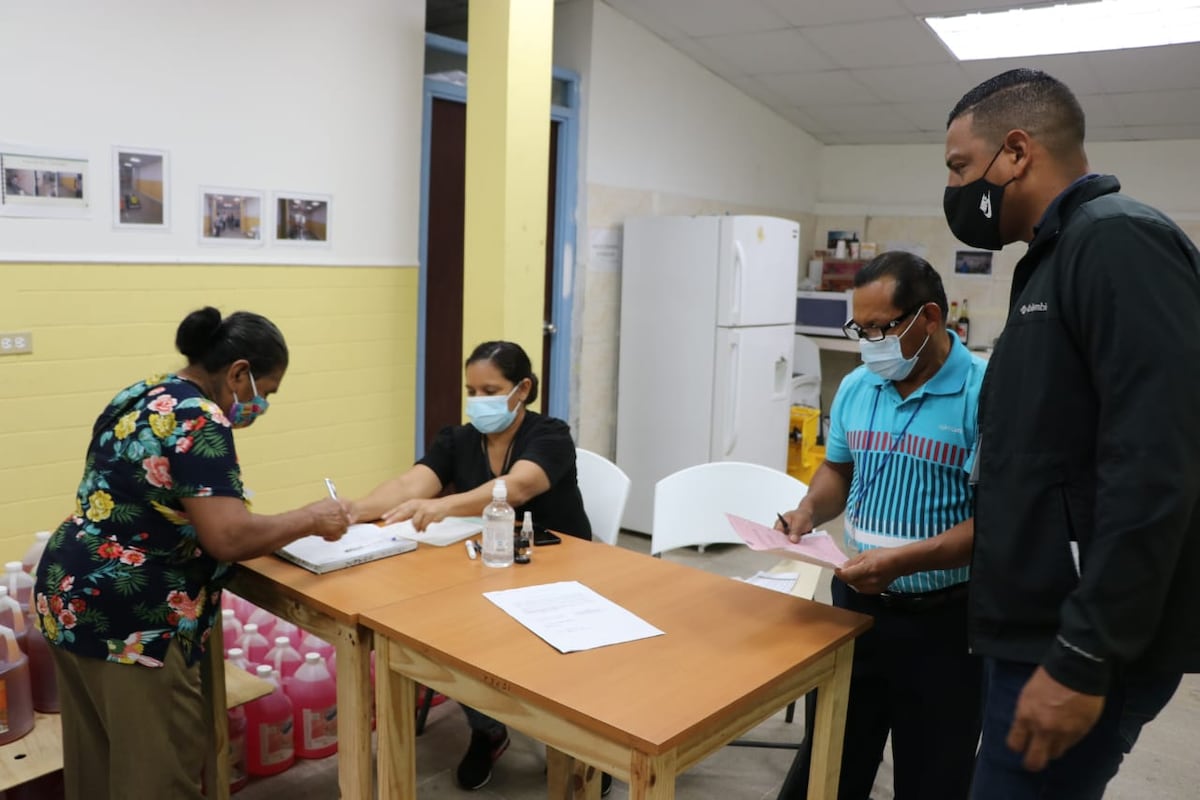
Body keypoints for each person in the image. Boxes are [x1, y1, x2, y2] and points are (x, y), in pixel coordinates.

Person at [943, 69, 1200, 799]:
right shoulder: (1052, 258)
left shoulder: (1118, 241)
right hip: (1034, 623)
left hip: (1076, 639)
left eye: (960, 166)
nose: (955, 188)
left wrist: (1086, 650)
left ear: (1016, 151)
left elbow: (1155, 462)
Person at [32, 307, 352, 800]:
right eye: (265, 392)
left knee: (97, 764)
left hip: (69, 592)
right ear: (239, 373)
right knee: (156, 777)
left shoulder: (144, 392)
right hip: (135, 620)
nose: (260, 405)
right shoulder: (200, 418)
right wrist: (311, 518)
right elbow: (228, 537)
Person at [777, 252, 986, 800]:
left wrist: (905, 561)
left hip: (946, 624)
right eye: (860, 329)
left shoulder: (984, 393)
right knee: (831, 765)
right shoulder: (857, 386)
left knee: (934, 777)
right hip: (855, 610)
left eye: (880, 328)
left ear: (929, 317)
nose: (868, 343)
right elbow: (838, 469)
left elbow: (997, 521)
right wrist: (808, 510)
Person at [352, 339, 595, 792]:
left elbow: (517, 487)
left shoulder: (550, 435)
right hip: (488, 568)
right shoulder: (458, 440)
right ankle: (488, 729)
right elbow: (409, 484)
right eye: (472, 391)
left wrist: (443, 506)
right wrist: (354, 510)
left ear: (523, 389)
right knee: (438, 628)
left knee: (557, 652)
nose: (479, 402)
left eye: (491, 391)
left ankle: (581, 751)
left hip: (562, 573)